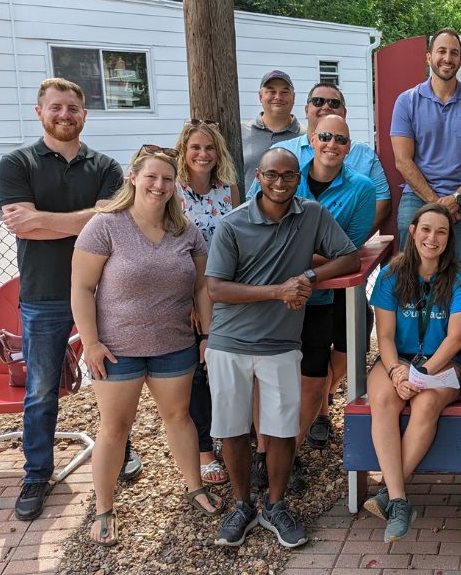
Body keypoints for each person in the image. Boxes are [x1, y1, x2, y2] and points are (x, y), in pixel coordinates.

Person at [204, 148, 359, 549]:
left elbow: (349, 257)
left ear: (298, 178)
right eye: (272, 175)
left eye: (288, 175)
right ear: (258, 175)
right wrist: (278, 291)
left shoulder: (311, 215)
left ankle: (275, 505)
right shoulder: (233, 223)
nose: (280, 183)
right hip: (230, 342)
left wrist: (307, 275)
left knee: (282, 428)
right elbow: (216, 288)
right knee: (233, 428)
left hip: (280, 344)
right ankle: (242, 506)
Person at [72, 146, 224, 545]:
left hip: (173, 343)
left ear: (176, 186)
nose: (159, 185)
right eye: (152, 177)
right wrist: (90, 342)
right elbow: (82, 288)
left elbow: (201, 287)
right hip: (117, 348)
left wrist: (206, 334)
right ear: (134, 178)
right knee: (114, 428)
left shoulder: (185, 231)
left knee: (179, 418)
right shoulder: (105, 225)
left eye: (167, 179)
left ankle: (194, 486)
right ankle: (104, 507)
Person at [0, 78, 123, 521]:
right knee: (42, 389)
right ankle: (37, 473)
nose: (65, 115)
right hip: (44, 293)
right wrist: (81, 221)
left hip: (104, 292)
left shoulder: (105, 167)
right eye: (56, 107)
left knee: (115, 380)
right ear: (40, 112)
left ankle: (121, 453)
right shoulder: (17, 163)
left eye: (73, 108)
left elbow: (108, 223)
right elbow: (22, 226)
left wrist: (42, 219)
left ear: (84, 115)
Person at [274, 86, 391, 448]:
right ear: (311, 138)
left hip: (332, 285)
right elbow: (258, 226)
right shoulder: (286, 168)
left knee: (336, 355)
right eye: (324, 136)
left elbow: (351, 245)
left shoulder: (361, 181)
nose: (331, 143)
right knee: (280, 369)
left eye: (340, 138)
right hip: (278, 288)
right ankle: (271, 449)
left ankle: (318, 409)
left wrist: (307, 261)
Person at [364, 203, 461, 543]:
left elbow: (456, 339)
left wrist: (420, 375)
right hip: (399, 357)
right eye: (426, 229)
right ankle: (399, 502)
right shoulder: (391, 274)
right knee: (382, 399)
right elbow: (383, 335)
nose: (432, 238)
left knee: (426, 404)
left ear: (449, 238)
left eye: (441, 232)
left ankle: (390, 493)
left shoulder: (460, 278)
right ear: (412, 232)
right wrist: (398, 370)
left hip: (444, 363)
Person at [390, 27, 461, 276]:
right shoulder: (407, 101)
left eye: (454, 53)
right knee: (410, 271)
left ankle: (460, 316)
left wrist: (457, 198)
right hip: (417, 196)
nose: (447, 58)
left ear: (460, 59)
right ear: (429, 56)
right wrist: (436, 204)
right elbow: (402, 161)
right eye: (441, 51)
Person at [176, 120, 239, 487]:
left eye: (210, 148)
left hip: (224, 289)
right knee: (197, 371)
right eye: (196, 147)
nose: (203, 154)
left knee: (222, 364)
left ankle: (228, 430)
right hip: (186, 290)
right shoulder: (174, 193)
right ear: (184, 151)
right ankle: (203, 450)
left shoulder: (227, 190)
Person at [274, 82, 391, 236]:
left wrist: (351, 241)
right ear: (306, 109)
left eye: (334, 103)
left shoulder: (365, 154)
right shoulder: (281, 152)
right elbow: (258, 201)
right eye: (318, 101)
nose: (326, 106)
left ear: (344, 112)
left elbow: (382, 200)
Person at [241, 70, 301, 182]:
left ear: (293, 97)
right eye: (271, 91)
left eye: (284, 92)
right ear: (260, 96)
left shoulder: (305, 136)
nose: (278, 97)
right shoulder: (240, 133)